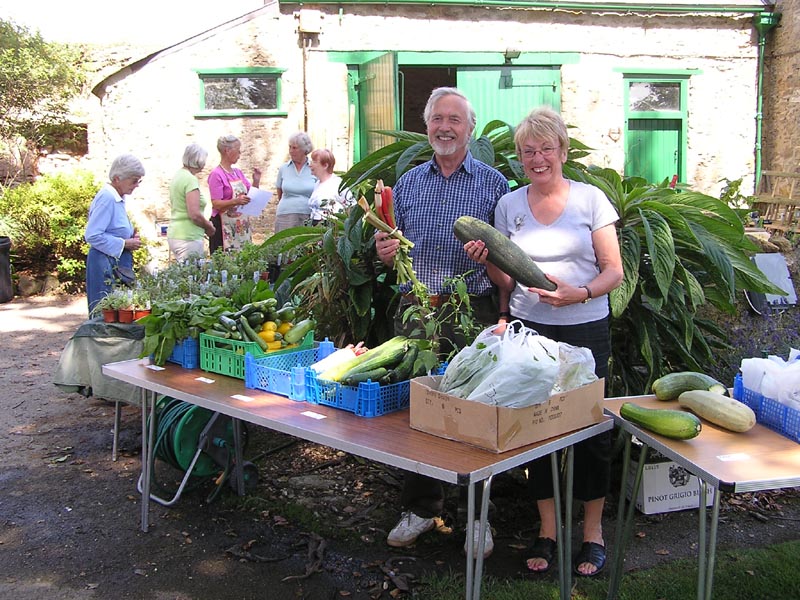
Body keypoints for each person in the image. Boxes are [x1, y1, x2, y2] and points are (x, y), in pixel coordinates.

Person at [464, 106, 624, 577]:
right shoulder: (510, 206)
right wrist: (485, 259)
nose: (537, 158)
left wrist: (581, 293)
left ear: (562, 151)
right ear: (519, 157)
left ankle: (592, 533)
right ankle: (549, 531)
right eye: (528, 151)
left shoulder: (591, 200)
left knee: (591, 429)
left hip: (586, 326)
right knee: (538, 430)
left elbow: (613, 270)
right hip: (532, 332)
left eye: (546, 149)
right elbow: (505, 279)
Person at [374, 87, 510, 559]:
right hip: (417, 310)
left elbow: (507, 258)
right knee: (421, 410)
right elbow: (392, 247)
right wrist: (384, 252)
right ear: (426, 125)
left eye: (455, 119)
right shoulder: (409, 183)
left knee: (478, 411)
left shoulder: (494, 184)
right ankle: (421, 506)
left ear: (470, 128)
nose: (445, 127)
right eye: (437, 119)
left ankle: (478, 515)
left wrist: (490, 259)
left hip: (473, 309)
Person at [84, 154, 145, 314]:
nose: (137, 185)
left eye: (139, 181)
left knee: (119, 310)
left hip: (114, 261)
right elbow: (92, 235)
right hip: (104, 263)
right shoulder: (107, 198)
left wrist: (131, 235)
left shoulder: (117, 197)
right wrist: (125, 243)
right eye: (134, 180)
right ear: (117, 179)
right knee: (105, 312)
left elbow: (113, 228)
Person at [207, 135, 261, 253]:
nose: (240, 153)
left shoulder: (238, 173)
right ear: (227, 151)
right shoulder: (216, 174)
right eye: (238, 149)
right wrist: (236, 201)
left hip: (240, 226)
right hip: (223, 227)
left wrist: (256, 181)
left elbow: (250, 195)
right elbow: (216, 203)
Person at [167, 143, 216, 262]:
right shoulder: (190, 180)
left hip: (175, 233)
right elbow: (194, 214)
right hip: (188, 236)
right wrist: (208, 226)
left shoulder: (178, 175)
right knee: (192, 276)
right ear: (199, 161)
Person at [274, 131, 316, 232]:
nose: (291, 151)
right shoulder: (284, 168)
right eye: (290, 147)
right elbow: (280, 192)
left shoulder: (314, 168)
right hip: (285, 215)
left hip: (308, 214)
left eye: (294, 148)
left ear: (304, 150)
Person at [308, 148, 353, 226]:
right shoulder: (317, 184)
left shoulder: (338, 184)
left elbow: (351, 207)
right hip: (315, 228)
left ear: (325, 165)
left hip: (331, 229)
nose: (310, 165)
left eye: (314, 162)